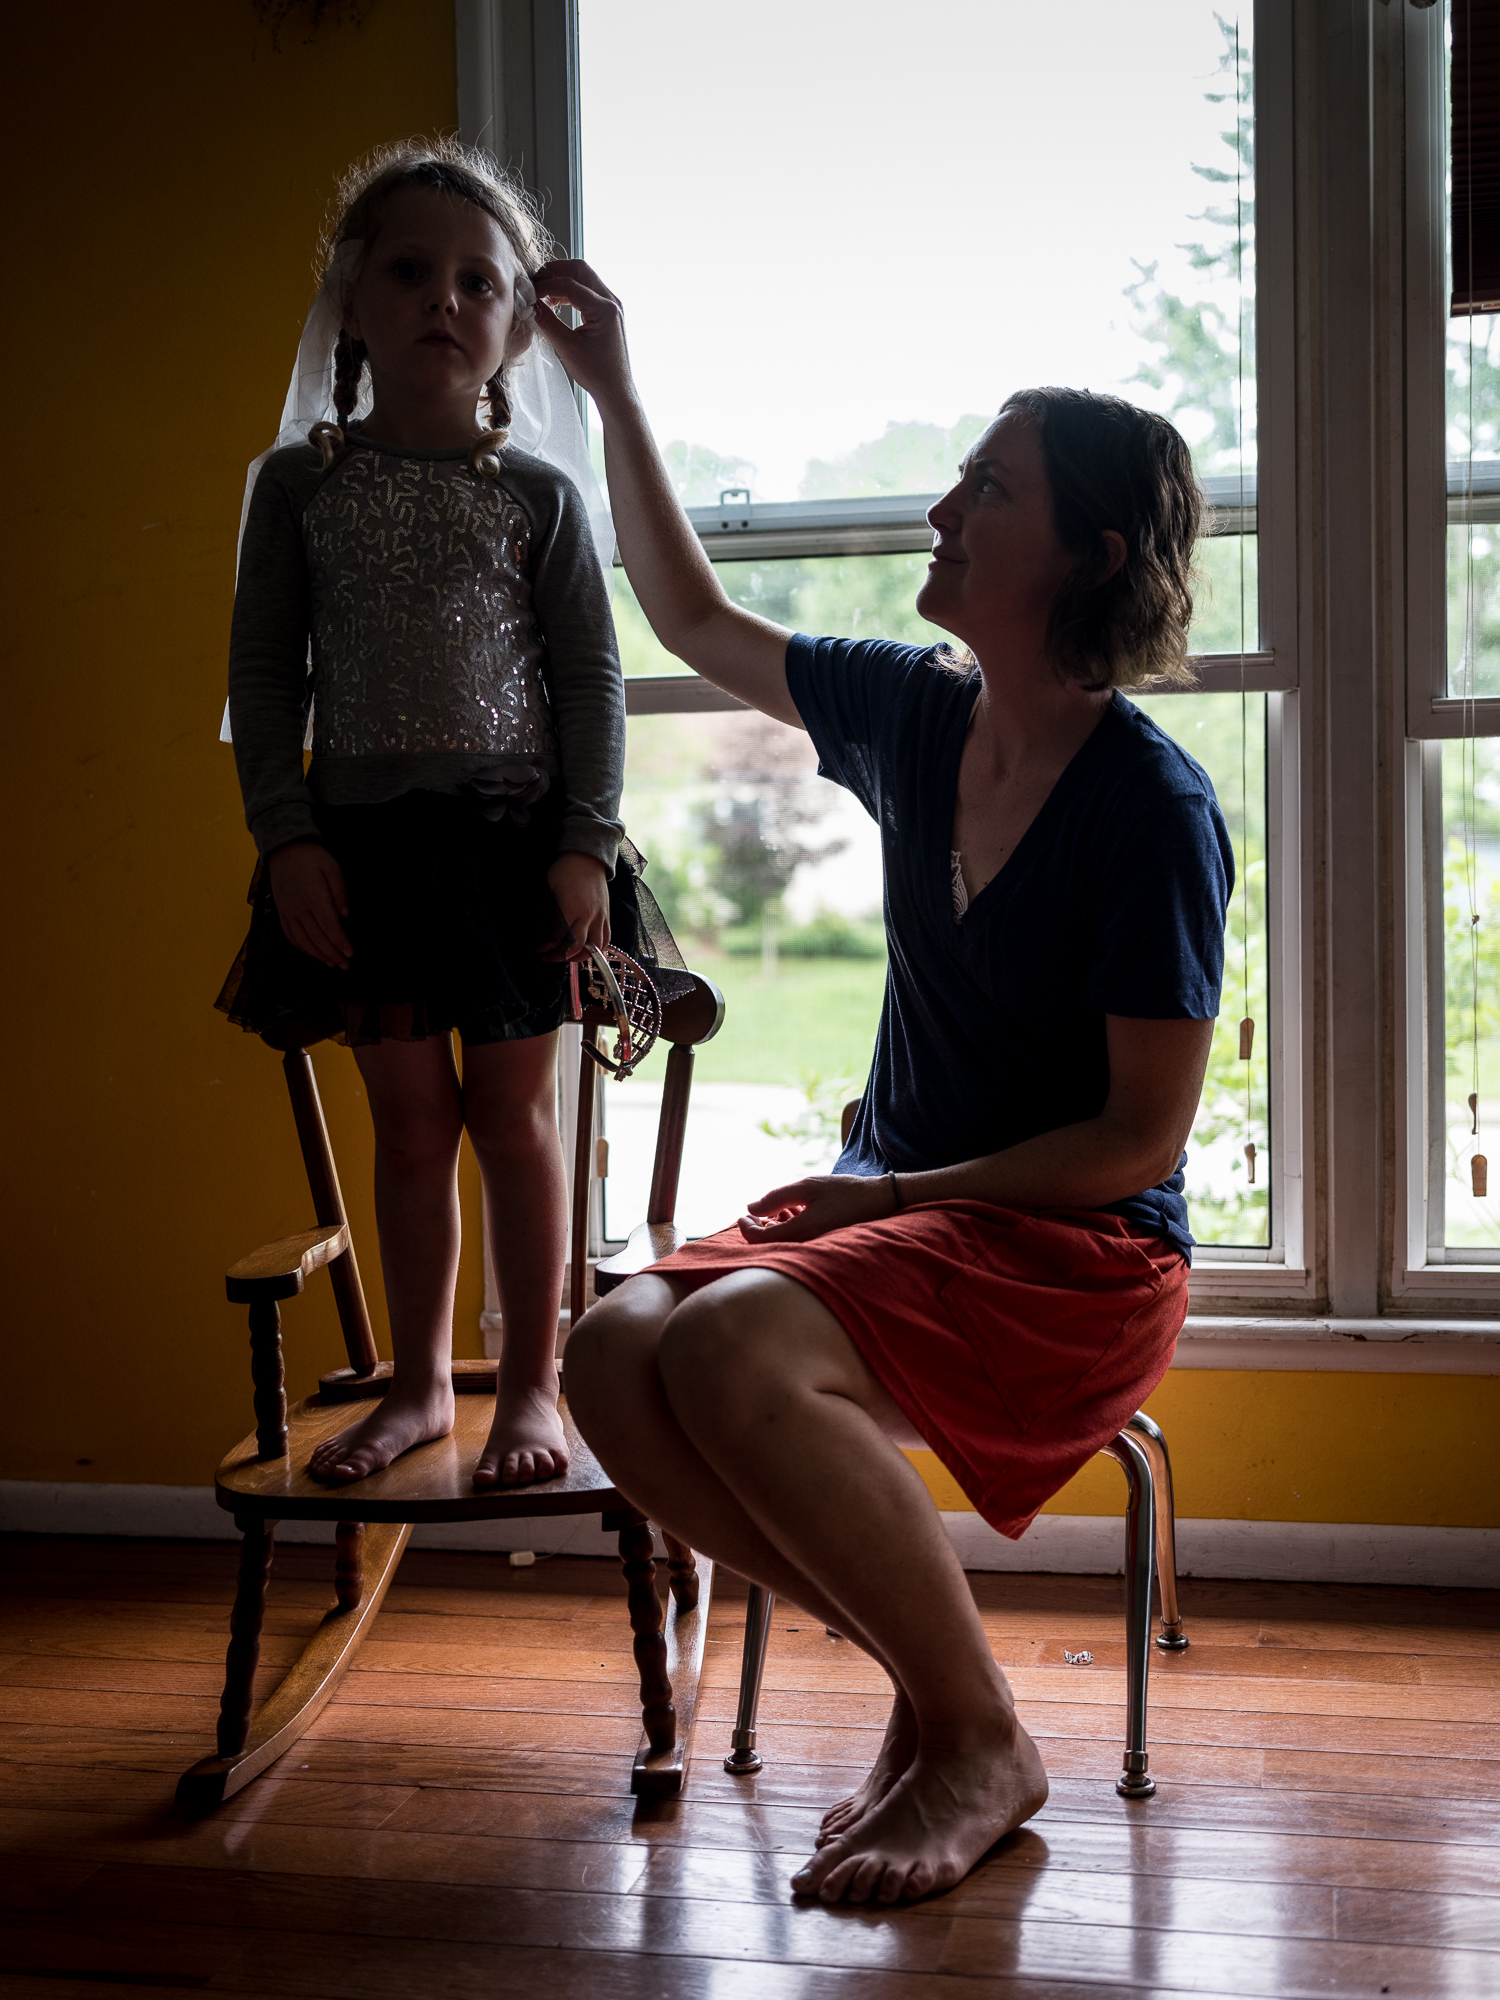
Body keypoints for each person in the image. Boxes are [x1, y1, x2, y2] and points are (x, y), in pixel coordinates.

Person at [540, 261, 1233, 1904]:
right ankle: (941, 1701)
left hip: (1078, 1251)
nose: (942, 506)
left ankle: (981, 1733)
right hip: (895, 1217)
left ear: (1090, 554)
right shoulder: (915, 717)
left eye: (987, 488)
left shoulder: (1154, 813)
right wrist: (623, 394)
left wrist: (905, 1195)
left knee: (729, 1342)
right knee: (614, 1354)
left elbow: (1138, 1138)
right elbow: (696, 620)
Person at [217, 144, 676, 1491]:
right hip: (367, 862)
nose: (443, 299)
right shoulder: (299, 488)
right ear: (352, 303)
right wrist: (287, 837)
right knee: (409, 1129)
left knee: (514, 1124)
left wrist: (587, 843)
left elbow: (592, 683)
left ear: (517, 323)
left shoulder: (537, 494)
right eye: (410, 272)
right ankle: (422, 1385)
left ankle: (532, 1385)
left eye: (479, 282)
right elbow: (263, 674)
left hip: (514, 861)